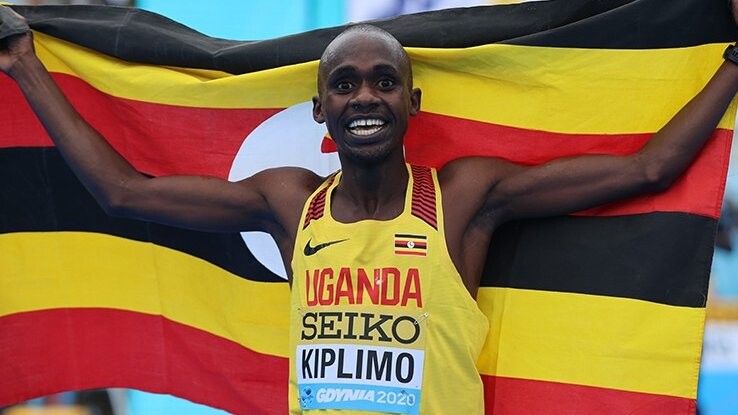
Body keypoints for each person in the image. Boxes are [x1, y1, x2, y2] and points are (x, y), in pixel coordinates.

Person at [3, 4, 738, 414]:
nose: (364, 97)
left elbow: (649, 168)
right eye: (345, 84)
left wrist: (734, 65)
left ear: (411, 103)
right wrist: (25, 64)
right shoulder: (290, 202)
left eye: (384, 82)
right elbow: (124, 191)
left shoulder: (461, 198)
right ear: (319, 108)